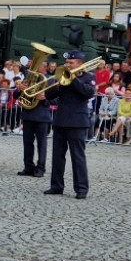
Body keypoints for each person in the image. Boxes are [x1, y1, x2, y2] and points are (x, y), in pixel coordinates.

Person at [44, 50, 96, 199]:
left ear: (79, 64)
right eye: (67, 62)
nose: (67, 65)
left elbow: (88, 93)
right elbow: (49, 95)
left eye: (71, 63)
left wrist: (74, 79)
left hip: (77, 122)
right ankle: (56, 186)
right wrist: (57, 85)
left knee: (77, 156)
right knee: (57, 156)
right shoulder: (61, 75)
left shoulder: (89, 77)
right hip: (61, 120)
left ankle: (81, 189)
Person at [15, 74, 51, 176]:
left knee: (41, 144)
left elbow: (56, 99)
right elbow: (15, 95)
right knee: (27, 143)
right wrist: (19, 89)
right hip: (27, 116)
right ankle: (28, 167)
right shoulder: (28, 78)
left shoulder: (49, 80)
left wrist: (45, 97)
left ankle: (41, 168)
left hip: (42, 117)